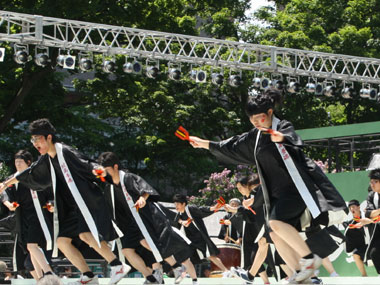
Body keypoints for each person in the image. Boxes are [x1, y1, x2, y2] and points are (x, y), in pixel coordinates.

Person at [188, 88, 348, 283]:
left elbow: (293, 141)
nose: (256, 122)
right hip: (276, 194)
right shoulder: (255, 137)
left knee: (274, 224)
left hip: (296, 189)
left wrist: (280, 138)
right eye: (252, 119)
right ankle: (302, 275)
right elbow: (231, 146)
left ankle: (309, 260)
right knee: (274, 234)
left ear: (270, 113)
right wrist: (204, 143)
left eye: (260, 118)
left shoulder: (283, 126)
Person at [0, 119, 130, 285]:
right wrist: (5, 184)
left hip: (85, 202)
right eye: (32, 140)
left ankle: (117, 265)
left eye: (37, 139)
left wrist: (97, 170)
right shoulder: (47, 158)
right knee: (62, 241)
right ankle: (88, 276)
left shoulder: (65, 151)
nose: (34, 144)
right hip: (70, 208)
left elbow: (86, 163)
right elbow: (29, 173)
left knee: (85, 234)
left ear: (48, 137)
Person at [98, 151, 198, 285]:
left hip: (145, 217)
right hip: (131, 222)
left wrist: (142, 198)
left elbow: (144, 190)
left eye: (107, 169)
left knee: (148, 243)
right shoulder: (110, 187)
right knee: (127, 250)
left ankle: (176, 267)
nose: (106, 173)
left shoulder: (127, 177)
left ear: (115, 167)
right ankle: (152, 278)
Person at [1, 150, 54, 280]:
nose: (17, 164)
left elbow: (50, 194)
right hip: (22, 217)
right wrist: (9, 205)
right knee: (30, 251)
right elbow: (5, 195)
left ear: (29, 163)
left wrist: (51, 204)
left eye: (20, 162)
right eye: (16, 162)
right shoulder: (13, 179)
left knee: (32, 246)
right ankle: (42, 279)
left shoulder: (36, 177)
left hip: (38, 215)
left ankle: (48, 274)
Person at [172, 194, 232, 277]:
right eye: (175, 204)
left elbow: (202, 209)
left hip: (200, 237)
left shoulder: (191, 209)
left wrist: (213, 208)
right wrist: (182, 222)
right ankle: (187, 273)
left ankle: (226, 271)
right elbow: (175, 222)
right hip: (190, 239)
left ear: (183, 204)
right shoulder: (179, 214)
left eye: (178, 204)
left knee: (210, 256)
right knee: (187, 255)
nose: (176, 206)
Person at [343, 199, 370, 277]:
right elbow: (348, 235)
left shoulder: (367, 217)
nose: (352, 209)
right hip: (364, 247)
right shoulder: (351, 224)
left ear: (359, 207)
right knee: (356, 255)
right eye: (350, 208)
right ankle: (364, 276)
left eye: (353, 207)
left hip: (374, 243)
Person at [364, 168, 380, 275]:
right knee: (374, 253)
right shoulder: (371, 196)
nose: (372, 184)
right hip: (378, 230)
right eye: (371, 182)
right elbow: (367, 214)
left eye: (376, 181)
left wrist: (374, 214)